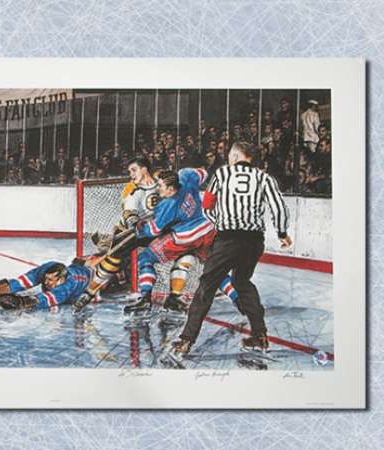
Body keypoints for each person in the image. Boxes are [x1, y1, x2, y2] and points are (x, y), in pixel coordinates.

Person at [171, 142, 292, 355]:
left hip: (227, 239)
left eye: (229, 155)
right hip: (254, 240)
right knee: (242, 283)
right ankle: (260, 335)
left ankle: (186, 340)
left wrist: (220, 222)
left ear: (236, 156)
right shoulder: (264, 178)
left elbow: (207, 206)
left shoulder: (222, 174)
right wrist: (282, 233)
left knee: (207, 286)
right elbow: (279, 208)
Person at [123, 168, 238, 314]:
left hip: (185, 237)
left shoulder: (167, 205)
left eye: (161, 186)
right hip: (206, 230)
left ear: (171, 189)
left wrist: (138, 227)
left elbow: (153, 231)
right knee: (213, 267)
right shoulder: (186, 176)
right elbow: (203, 173)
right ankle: (238, 298)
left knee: (145, 257)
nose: (158, 189)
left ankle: (145, 298)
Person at [73, 158, 160, 309]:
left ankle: (148, 296)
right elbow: (129, 213)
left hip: (153, 229)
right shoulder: (133, 191)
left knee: (146, 259)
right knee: (113, 260)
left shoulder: (161, 184)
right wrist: (135, 223)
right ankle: (89, 293)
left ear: (145, 169)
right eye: (129, 171)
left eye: (134, 170)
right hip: (131, 230)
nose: (131, 174)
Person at [0, 261, 91, 312]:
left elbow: (45, 299)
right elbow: (25, 281)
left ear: (61, 279)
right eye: (46, 278)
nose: (46, 282)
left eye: (50, 280)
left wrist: (20, 302)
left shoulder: (68, 287)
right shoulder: (50, 266)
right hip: (78, 267)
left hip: (88, 280)